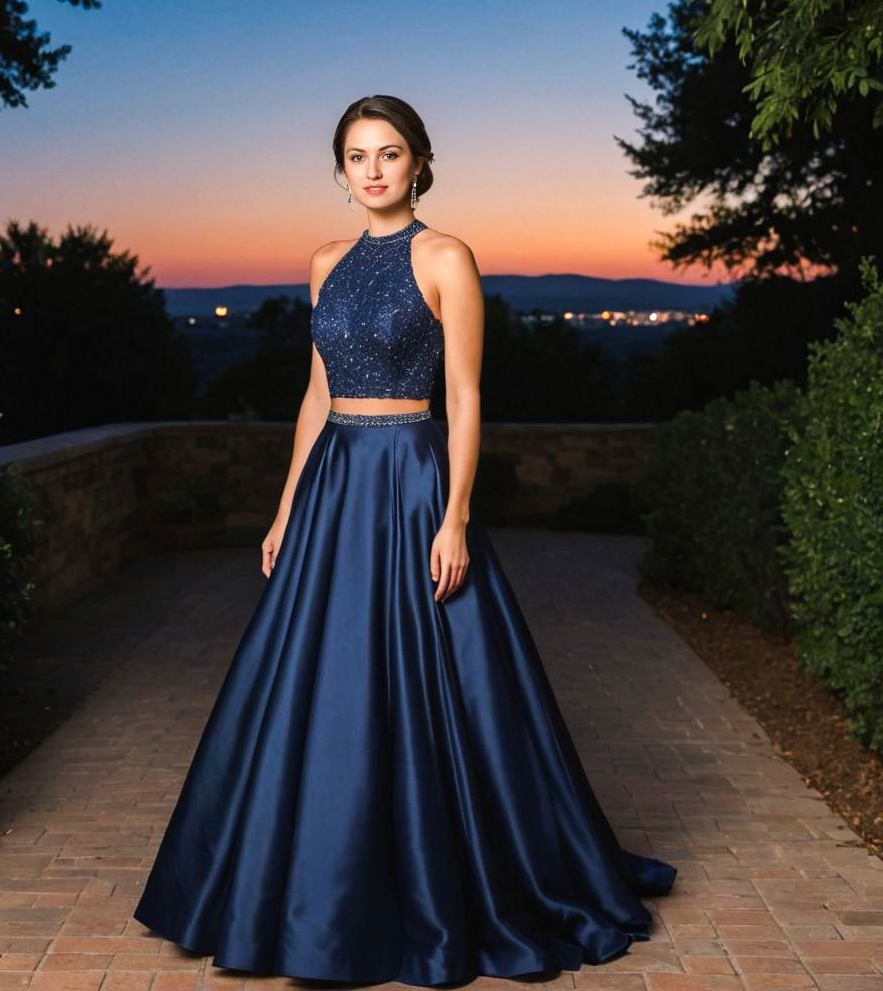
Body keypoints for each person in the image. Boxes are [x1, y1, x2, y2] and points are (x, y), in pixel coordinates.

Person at [133, 94, 676, 986]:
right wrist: (282, 508)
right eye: (357, 156)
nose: (374, 168)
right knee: (321, 680)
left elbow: (464, 397)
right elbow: (315, 396)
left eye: (390, 153)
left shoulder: (446, 257)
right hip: (337, 480)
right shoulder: (323, 264)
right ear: (341, 172)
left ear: (419, 162)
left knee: (442, 674)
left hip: (412, 478)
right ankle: (307, 885)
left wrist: (455, 514)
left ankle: (452, 878)